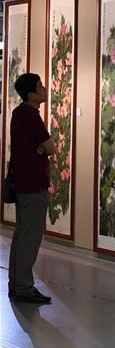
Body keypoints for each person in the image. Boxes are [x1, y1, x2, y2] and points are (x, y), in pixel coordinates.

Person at [7, 73, 56, 304]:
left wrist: (39, 148)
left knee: (21, 235)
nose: (44, 89)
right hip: (34, 186)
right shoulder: (31, 117)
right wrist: (41, 149)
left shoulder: (18, 114)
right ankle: (25, 288)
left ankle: (16, 285)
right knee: (30, 238)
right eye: (40, 86)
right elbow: (51, 148)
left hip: (22, 185)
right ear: (31, 94)